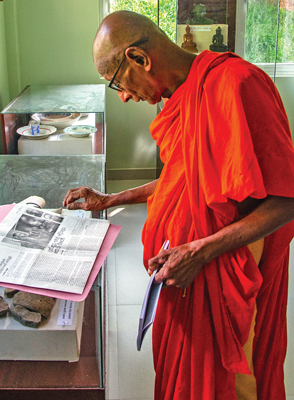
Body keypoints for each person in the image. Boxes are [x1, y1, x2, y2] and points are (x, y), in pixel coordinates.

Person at [63, 10, 294, 400]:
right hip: (184, 271)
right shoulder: (184, 96)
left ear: (139, 58)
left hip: (228, 275)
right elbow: (183, 179)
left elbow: (286, 199)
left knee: (231, 381)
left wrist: (201, 251)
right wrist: (111, 199)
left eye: (118, 81)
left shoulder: (238, 84)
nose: (123, 95)